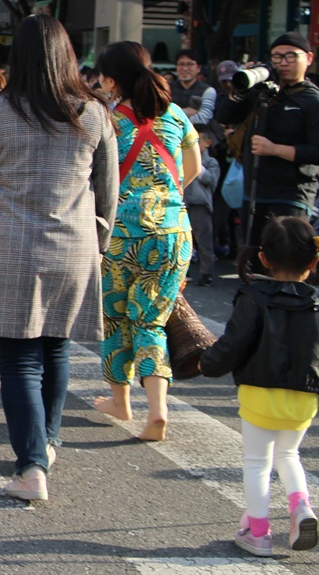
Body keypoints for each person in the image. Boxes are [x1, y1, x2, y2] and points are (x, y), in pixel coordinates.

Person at [0, 14, 118, 502]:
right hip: (74, 246)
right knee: (57, 348)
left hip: (8, 246)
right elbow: (107, 192)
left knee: (19, 361)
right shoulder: (92, 113)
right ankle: (46, 441)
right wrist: (101, 244)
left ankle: (30, 468)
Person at [93, 40, 201, 444]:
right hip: (174, 232)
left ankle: (120, 401)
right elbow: (195, 167)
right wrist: (165, 196)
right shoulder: (174, 114)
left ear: (110, 79)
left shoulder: (107, 120)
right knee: (152, 320)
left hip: (121, 233)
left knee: (116, 318)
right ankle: (158, 410)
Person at [201, 216, 319, 557]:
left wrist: (207, 364)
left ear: (263, 258)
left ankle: (259, 532)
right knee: (288, 454)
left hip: (258, 391)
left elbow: (233, 343)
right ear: (313, 262)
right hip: (304, 395)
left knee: (257, 462)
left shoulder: (253, 297)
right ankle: (301, 509)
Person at [217, 32, 319, 257]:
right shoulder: (263, 93)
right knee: (253, 261)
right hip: (254, 192)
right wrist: (242, 90)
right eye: (277, 57)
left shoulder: (312, 100)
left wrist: (275, 150)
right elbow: (223, 115)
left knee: (286, 261)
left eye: (291, 56)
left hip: (291, 194)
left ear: (308, 58)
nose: (283, 63)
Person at [185, 124, 222, 286]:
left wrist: (196, 165)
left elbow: (211, 180)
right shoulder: (184, 157)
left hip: (201, 205)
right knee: (185, 241)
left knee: (203, 241)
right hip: (185, 203)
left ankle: (206, 272)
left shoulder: (211, 162)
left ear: (207, 142)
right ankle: (183, 271)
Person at [172, 49, 217, 125]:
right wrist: (183, 112)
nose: (185, 68)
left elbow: (203, 119)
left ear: (198, 68)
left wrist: (174, 119)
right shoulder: (166, 89)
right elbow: (160, 116)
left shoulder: (208, 91)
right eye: (181, 64)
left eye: (190, 64)